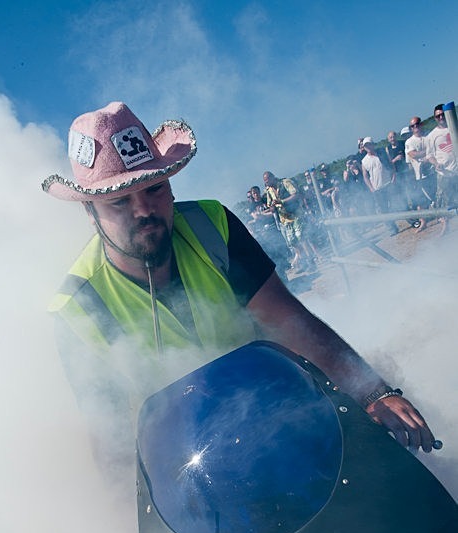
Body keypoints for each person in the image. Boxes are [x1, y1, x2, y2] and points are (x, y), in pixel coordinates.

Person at [42, 101, 436, 456]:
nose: (144, 209)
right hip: (192, 463)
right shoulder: (78, 309)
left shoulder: (211, 224)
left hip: (277, 410)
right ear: (90, 212)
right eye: (119, 200)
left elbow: (289, 320)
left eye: (155, 188)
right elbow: (110, 439)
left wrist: (373, 391)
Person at [425, 103, 458, 233]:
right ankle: (445, 227)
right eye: (437, 116)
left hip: (457, 170)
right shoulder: (432, 136)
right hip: (444, 174)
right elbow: (429, 156)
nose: (441, 117)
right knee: (444, 202)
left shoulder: (454, 127)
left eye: (442, 115)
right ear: (435, 118)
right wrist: (436, 164)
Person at [360, 136, 399, 234]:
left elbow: (391, 165)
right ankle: (392, 229)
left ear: (373, 145)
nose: (368, 147)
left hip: (389, 184)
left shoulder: (382, 154)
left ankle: (412, 220)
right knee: (384, 210)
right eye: (366, 145)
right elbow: (365, 176)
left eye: (369, 144)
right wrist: (371, 189)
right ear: (364, 148)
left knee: (399, 203)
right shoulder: (364, 161)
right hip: (377, 189)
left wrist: (393, 177)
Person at [405, 117, 430, 231]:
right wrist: (428, 152)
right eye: (413, 126)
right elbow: (413, 155)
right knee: (421, 201)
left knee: (436, 197)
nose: (415, 127)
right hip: (420, 175)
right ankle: (423, 222)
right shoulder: (409, 142)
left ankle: (442, 218)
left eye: (417, 124)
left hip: (433, 171)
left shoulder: (428, 136)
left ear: (421, 124)